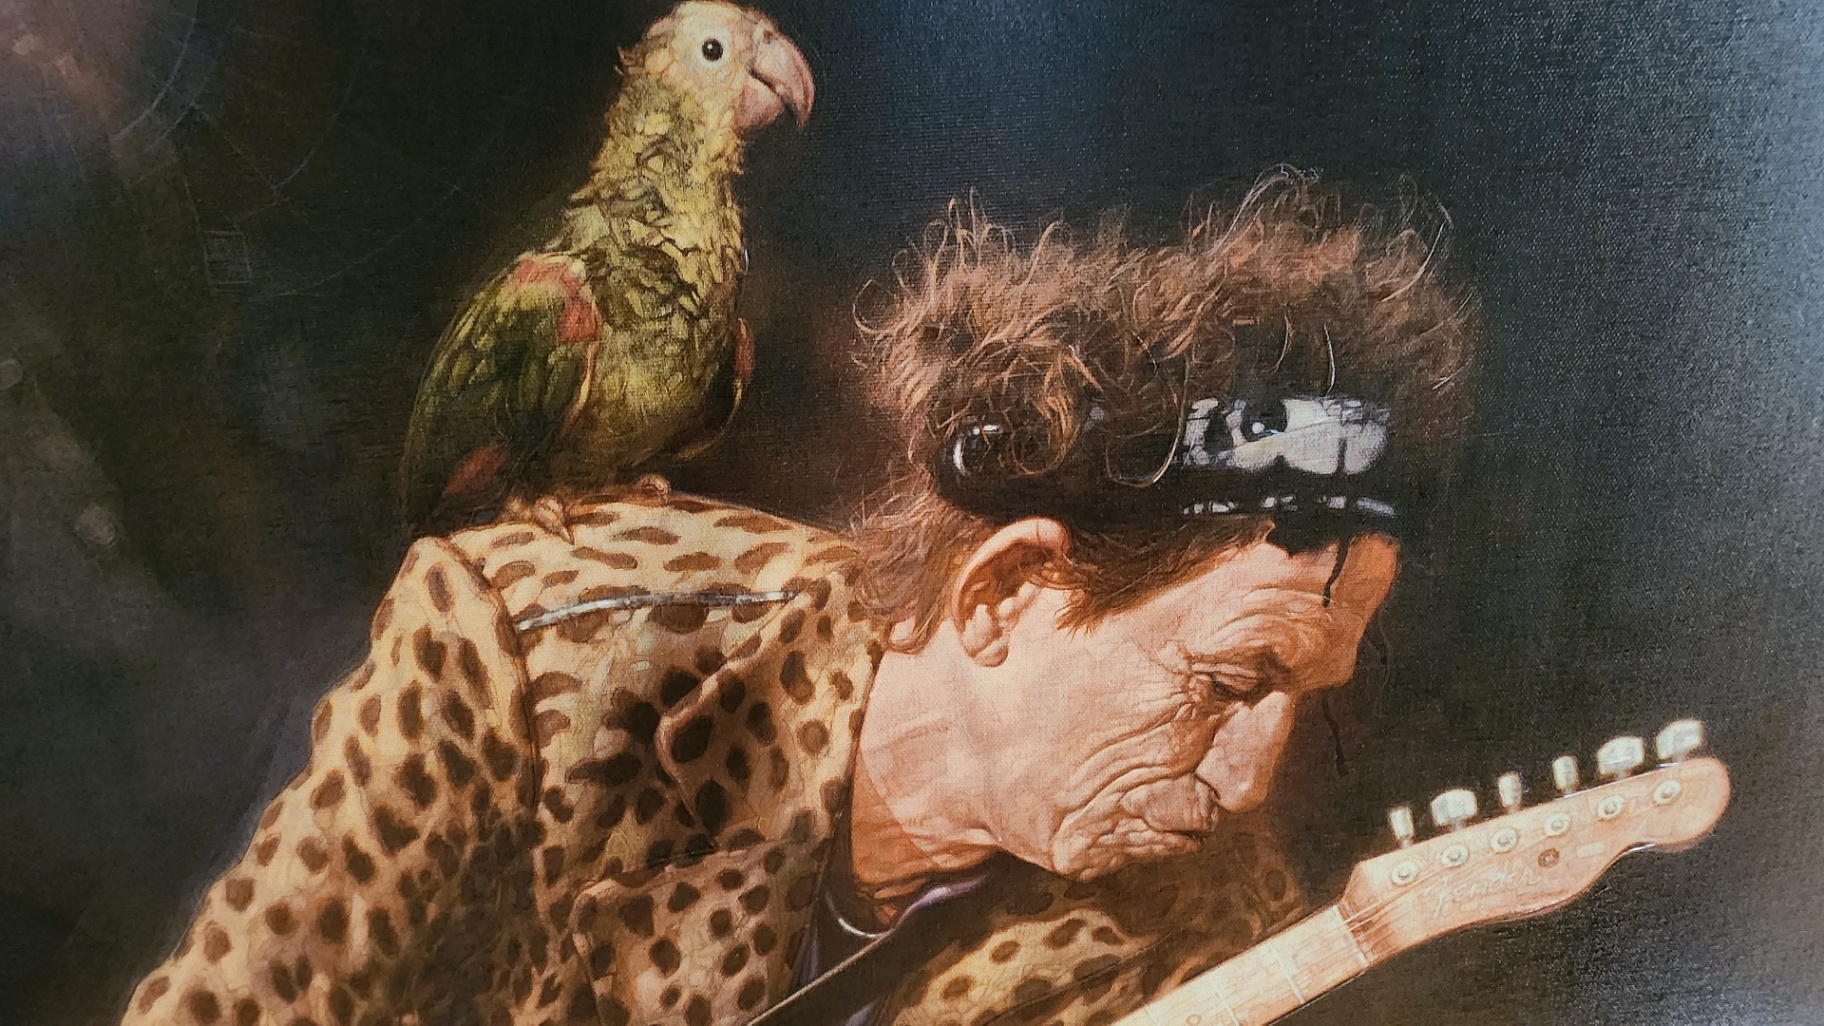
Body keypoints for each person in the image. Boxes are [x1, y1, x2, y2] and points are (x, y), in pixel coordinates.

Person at [120, 170, 1475, 1026]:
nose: (1251, 778)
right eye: (1232, 682)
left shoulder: (1213, 930)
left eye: (1303, 699)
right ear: (1007, 590)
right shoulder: (528, 653)